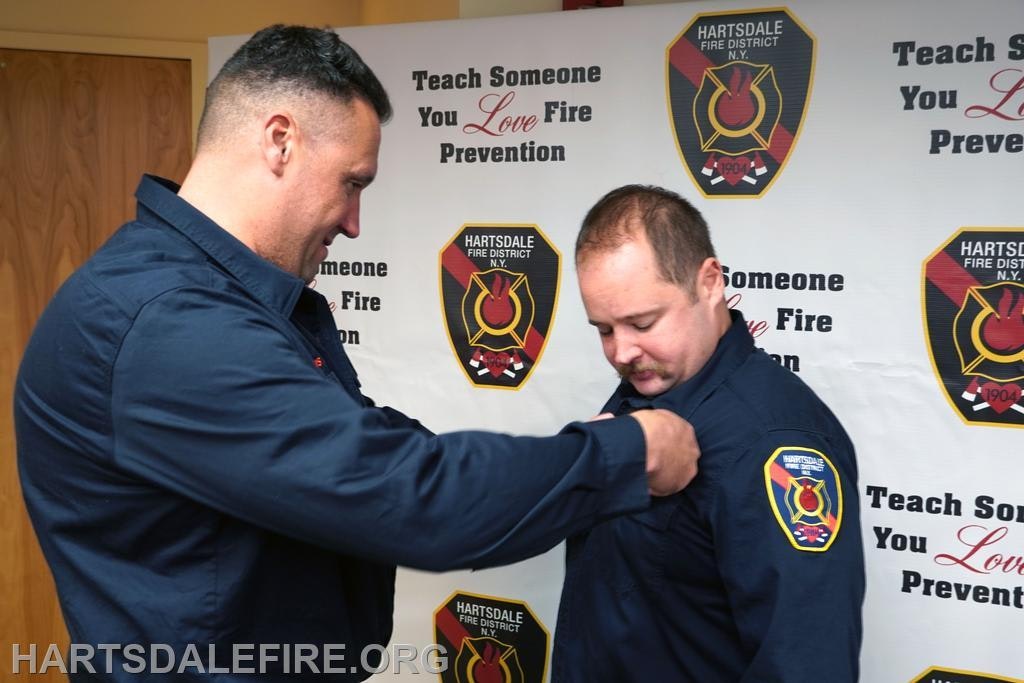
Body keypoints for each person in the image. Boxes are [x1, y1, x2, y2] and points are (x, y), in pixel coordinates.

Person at [12, 27, 699, 681]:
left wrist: (564, 457)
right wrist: (624, 456)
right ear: (280, 140)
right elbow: (410, 496)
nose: (353, 221)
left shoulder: (218, 299)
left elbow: (362, 444)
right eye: (353, 182)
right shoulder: (171, 327)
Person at [552, 185, 864, 682]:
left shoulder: (774, 444)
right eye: (604, 330)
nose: (621, 352)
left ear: (710, 283)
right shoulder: (651, 384)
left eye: (642, 322)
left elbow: (805, 663)